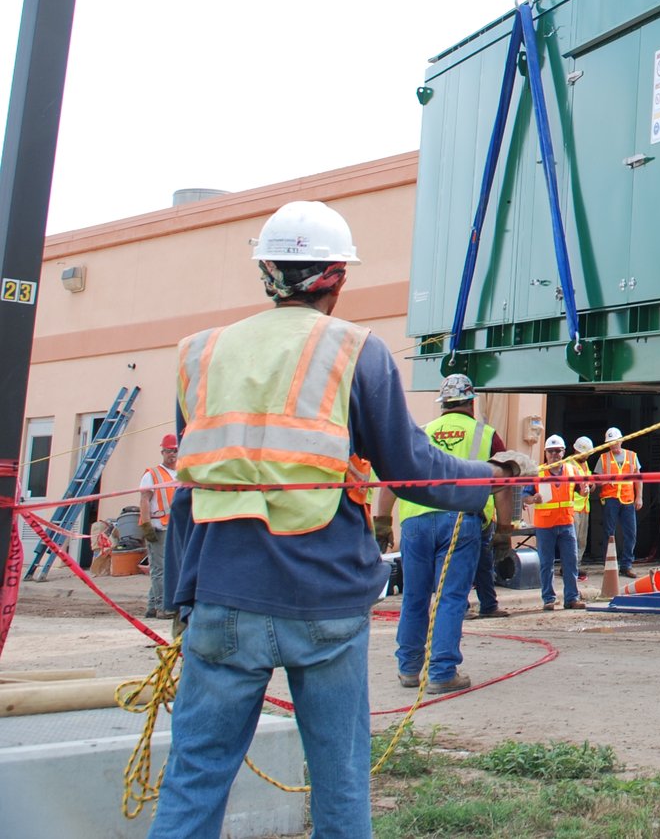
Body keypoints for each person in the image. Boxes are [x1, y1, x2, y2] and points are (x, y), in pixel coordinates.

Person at [154, 200, 504, 839]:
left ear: (266, 271)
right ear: (338, 277)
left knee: (194, 778)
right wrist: (495, 480)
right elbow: (412, 467)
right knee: (340, 787)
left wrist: (182, 598)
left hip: (223, 597)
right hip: (325, 601)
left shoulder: (200, 355)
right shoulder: (358, 352)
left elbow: (191, 489)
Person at [392, 373, 506, 689]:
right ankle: (442, 673)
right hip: (460, 520)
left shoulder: (421, 433)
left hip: (415, 520)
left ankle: (409, 669)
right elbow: (505, 483)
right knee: (450, 597)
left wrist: (378, 520)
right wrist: (506, 530)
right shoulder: (486, 434)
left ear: (443, 405)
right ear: (472, 402)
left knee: (414, 596)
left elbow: (394, 475)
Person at [531, 437, 584, 610]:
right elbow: (524, 495)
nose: (554, 454)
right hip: (545, 525)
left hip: (566, 523)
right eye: (551, 451)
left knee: (570, 562)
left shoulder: (572, 470)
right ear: (545, 453)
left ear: (563, 452)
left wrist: (586, 489)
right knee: (546, 563)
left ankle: (572, 598)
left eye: (558, 451)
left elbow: (583, 489)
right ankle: (549, 599)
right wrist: (532, 498)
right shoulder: (537, 472)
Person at [138, 433, 178, 619]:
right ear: (163, 452)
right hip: (158, 528)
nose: (173, 454)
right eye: (169, 451)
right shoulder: (152, 474)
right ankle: (163, 606)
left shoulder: (180, 473)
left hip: (175, 528)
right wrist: (146, 525)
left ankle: (153, 606)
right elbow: (145, 499)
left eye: (176, 451)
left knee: (166, 567)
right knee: (160, 569)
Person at [595, 427, 641, 579]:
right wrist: (604, 481)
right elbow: (596, 481)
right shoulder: (603, 458)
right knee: (609, 533)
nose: (613, 445)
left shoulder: (632, 456)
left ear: (621, 440)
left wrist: (639, 497)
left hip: (628, 499)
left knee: (631, 533)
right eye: (610, 443)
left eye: (615, 442)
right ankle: (609, 565)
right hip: (610, 499)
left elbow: (638, 479)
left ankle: (626, 565)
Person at [569, 435, 596, 572]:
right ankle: (569, 567)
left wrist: (591, 486)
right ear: (576, 451)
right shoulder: (568, 465)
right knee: (572, 541)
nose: (586, 457)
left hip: (584, 508)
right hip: (573, 508)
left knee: (581, 541)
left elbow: (591, 484)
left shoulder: (585, 465)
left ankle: (576, 566)